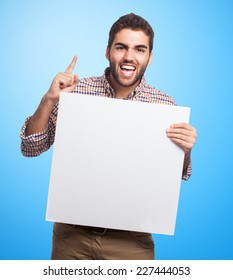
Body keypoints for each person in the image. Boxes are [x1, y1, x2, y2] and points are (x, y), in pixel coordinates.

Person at [20, 13, 197, 260]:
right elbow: (30, 148)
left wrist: (185, 151)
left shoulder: (165, 106)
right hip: (72, 237)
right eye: (121, 47)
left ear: (150, 57)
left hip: (131, 241)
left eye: (139, 49)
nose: (129, 57)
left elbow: (174, 177)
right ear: (107, 51)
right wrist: (48, 100)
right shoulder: (75, 91)